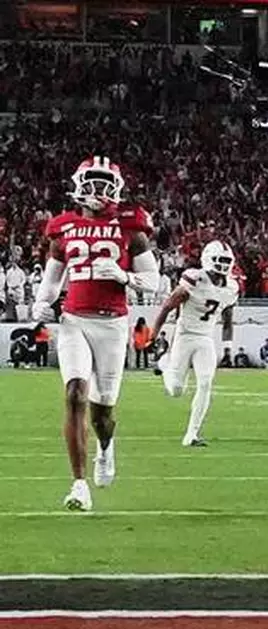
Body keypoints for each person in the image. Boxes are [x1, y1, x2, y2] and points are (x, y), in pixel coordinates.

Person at [31, 157, 159, 512]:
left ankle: (105, 447)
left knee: (103, 414)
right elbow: (52, 279)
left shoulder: (131, 227)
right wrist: (41, 303)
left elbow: (154, 281)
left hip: (113, 326)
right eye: (93, 182)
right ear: (78, 184)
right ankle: (78, 484)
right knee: (74, 394)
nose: (100, 191)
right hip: (74, 321)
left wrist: (124, 278)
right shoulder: (64, 227)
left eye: (106, 183)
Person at [149, 240, 240, 447]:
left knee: (206, 383)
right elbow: (167, 306)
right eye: (219, 260)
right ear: (208, 258)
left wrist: (227, 349)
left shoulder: (232, 287)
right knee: (176, 390)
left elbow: (227, 320)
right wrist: (154, 334)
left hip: (205, 338)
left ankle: (192, 434)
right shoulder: (195, 278)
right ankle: (164, 363)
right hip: (185, 335)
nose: (223, 265)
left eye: (226, 261)